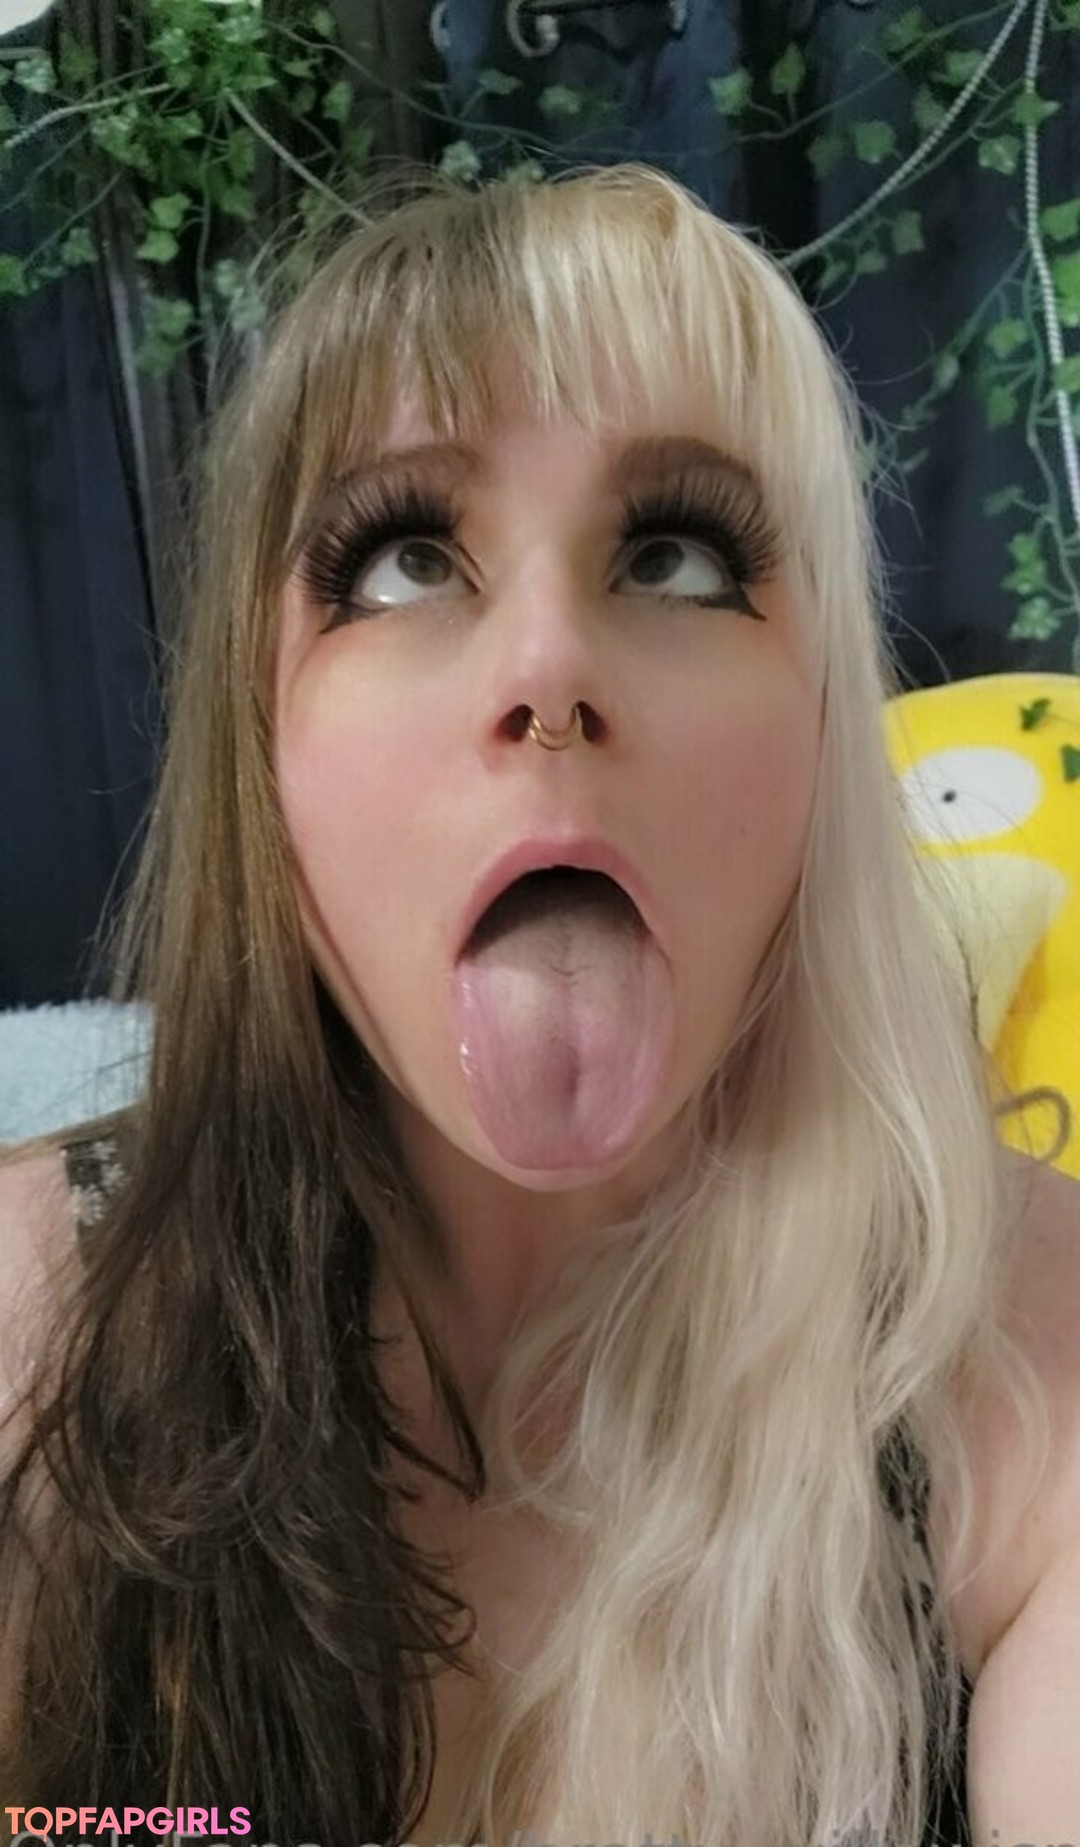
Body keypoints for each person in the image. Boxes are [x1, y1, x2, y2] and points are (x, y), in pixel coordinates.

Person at [1, 160, 1078, 1847]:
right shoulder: (39, 1325)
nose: (547, 671)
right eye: (405, 562)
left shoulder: (1025, 1341)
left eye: (679, 557)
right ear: (259, 752)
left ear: (821, 721)